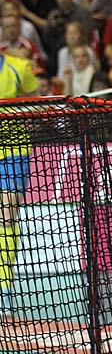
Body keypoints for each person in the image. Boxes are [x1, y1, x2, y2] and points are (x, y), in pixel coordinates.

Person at [0, 52, 39, 316]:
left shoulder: (19, 67)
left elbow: (35, 103)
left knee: (6, 217)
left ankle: (4, 290)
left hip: (14, 150)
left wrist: (26, 111)